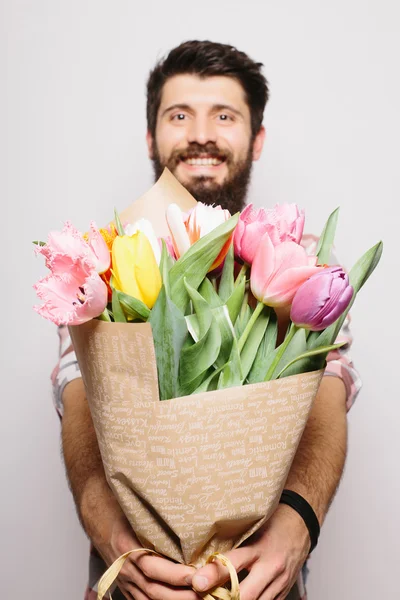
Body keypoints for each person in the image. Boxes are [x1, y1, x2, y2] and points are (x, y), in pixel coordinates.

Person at [52, 40, 361, 600]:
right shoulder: (104, 256)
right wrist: (109, 529)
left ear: (256, 138)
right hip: (133, 573)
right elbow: (79, 395)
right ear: (151, 137)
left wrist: (297, 525)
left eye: (224, 115)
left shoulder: (299, 255)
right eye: (179, 115)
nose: (200, 134)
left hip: (263, 574)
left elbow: (327, 392)